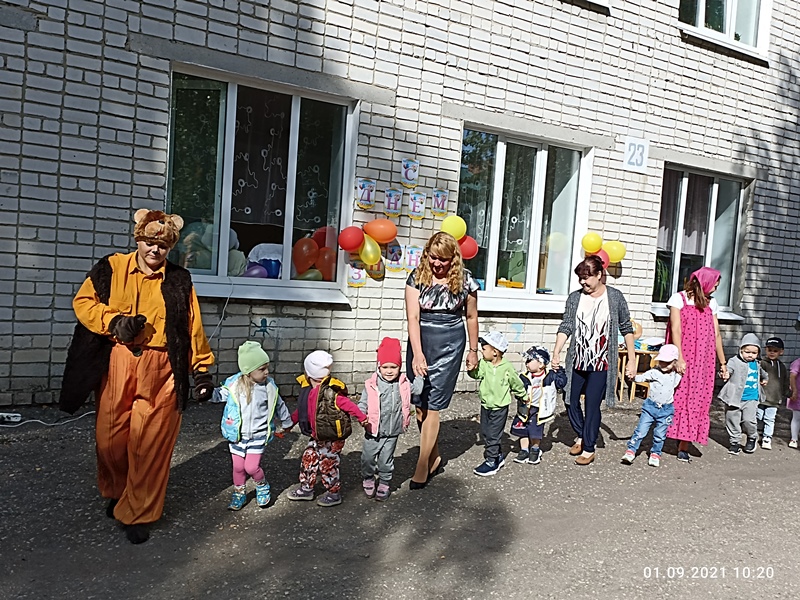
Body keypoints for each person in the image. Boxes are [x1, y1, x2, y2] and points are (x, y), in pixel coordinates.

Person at [60, 209, 215, 544]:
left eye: (163, 245)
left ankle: (138, 511)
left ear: (170, 247)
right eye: (149, 242)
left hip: (162, 368)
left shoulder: (179, 280)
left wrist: (201, 369)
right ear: (138, 239)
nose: (155, 250)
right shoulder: (111, 267)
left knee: (150, 443)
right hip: (118, 361)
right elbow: (83, 302)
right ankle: (119, 491)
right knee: (110, 439)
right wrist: (114, 321)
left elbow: (192, 325)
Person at [405, 232, 480, 488]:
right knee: (420, 403)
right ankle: (434, 456)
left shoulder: (466, 280)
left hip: (450, 342)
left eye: (443, 259)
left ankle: (422, 465)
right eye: (433, 257)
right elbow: (413, 318)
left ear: (453, 259)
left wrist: (473, 351)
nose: (437, 263)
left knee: (433, 403)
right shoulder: (417, 277)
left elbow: (471, 317)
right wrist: (417, 353)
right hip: (421, 340)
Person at [551, 255, 636, 466]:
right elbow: (566, 325)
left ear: (599, 275)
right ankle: (582, 434)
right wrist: (557, 351)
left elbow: (626, 328)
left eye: (586, 278)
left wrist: (632, 360)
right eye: (580, 278)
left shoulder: (614, 297)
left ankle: (589, 447)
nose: (583, 282)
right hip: (577, 360)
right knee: (569, 400)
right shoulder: (575, 298)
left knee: (592, 404)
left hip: (602, 362)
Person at [288, 351, 368, 507]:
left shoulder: (332, 392)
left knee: (328, 464)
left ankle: (333, 493)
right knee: (308, 458)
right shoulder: (307, 389)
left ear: (308, 372)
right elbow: (301, 411)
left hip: (333, 436)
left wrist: (362, 418)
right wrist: (288, 424)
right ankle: (306, 488)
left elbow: (349, 406)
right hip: (317, 435)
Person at [219, 341, 293, 510]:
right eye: (262, 369)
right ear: (248, 370)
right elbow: (219, 394)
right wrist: (206, 392)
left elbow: (279, 405)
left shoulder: (268, 387)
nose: (267, 372)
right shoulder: (234, 385)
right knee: (238, 468)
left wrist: (287, 422)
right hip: (237, 435)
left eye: (267, 368)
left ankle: (262, 485)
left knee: (251, 467)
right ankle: (239, 493)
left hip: (258, 435)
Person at [665, 266, 728, 463]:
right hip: (684, 355)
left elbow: (716, 334)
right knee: (678, 396)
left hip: (704, 360)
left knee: (698, 399)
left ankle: (684, 444)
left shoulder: (712, 303)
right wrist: (679, 357)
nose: (716, 288)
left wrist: (723, 363)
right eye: (715, 284)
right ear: (705, 283)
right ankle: (666, 434)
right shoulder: (679, 299)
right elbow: (676, 329)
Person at [358, 337, 424, 501]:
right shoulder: (372, 384)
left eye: (393, 367)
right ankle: (368, 477)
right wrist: (361, 416)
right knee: (367, 458)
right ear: (379, 366)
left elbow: (417, 390)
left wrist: (420, 376)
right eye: (385, 367)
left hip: (392, 431)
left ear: (399, 367)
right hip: (373, 430)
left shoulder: (403, 383)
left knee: (386, 460)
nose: (389, 371)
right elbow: (363, 403)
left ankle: (384, 483)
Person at [468, 331, 526, 476]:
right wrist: (471, 370)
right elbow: (477, 375)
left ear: (495, 352)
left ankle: (491, 461)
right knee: (485, 432)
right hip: (486, 405)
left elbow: (516, 383)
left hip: (500, 407)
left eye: (484, 348)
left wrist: (522, 396)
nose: (482, 351)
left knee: (493, 434)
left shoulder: (507, 367)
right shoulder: (484, 364)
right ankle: (498, 455)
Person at [621, 344, 682, 468]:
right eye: (661, 361)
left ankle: (655, 454)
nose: (663, 364)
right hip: (650, 407)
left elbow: (680, 380)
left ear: (675, 362)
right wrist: (633, 377)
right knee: (641, 431)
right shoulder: (654, 372)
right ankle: (631, 450)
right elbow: (642, 377)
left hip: (666, 409)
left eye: (667, 362)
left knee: (660, 434)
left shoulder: (677, 375)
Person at [511, 345, 567, 465]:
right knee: (522, 430)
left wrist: (560, 371)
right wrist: (519, 396)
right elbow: (518, 389)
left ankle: (535, 449)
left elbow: (562, 383)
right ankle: (524, 450)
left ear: (541, 364)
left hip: (540, 410)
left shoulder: (550, 376)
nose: (526, 363)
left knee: (535, 431)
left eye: (529, 360)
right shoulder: (524, 377)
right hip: (524, 409)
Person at [719, 333, 767, 456]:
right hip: (734, 398)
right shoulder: (734, 361)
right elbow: (728, 370)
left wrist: (764, 379)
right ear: (741, 350)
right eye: (747, 352)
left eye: (754, 353)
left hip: (751, 398)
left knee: (749, 420)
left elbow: (763, 373)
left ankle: (752, 437)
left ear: (758, 353)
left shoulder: (757, 363)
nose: (750, 355)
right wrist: (725, 374)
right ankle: (735, 442)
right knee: (732, 419)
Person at [758, 337, 790, 450]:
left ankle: (767, 438)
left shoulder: (782, 367)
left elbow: (785, 382)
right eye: (770, 350)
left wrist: (788, 393)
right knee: (758, 417)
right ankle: (754, 434)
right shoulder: (761, 363)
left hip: (775, 399)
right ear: (765, 350)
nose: (772, 352)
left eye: (775, 351)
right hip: (761, 397)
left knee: (770, 419)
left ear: (781, 352)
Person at [788, 357, 800, 448]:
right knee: (796, 417)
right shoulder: (797, 362)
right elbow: (792, 376)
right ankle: (794, 438)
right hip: (798, 394)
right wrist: (794, 390)